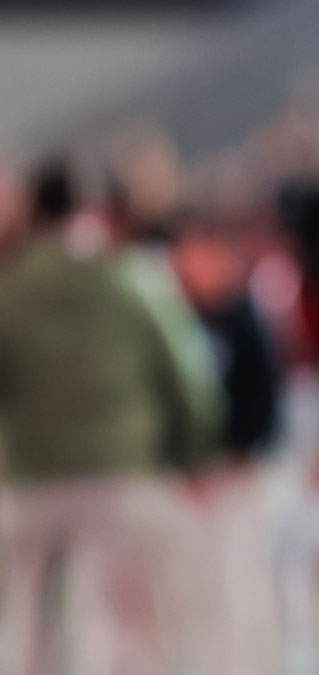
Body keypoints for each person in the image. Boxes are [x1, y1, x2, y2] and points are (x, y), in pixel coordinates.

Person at [0, 159, 219, 675]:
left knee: (32, 632)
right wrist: (194, 453)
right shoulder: (130, 277)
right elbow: (184, 371)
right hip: (121, 475)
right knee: (130, 632)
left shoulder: (10, 290)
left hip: (30, 481)